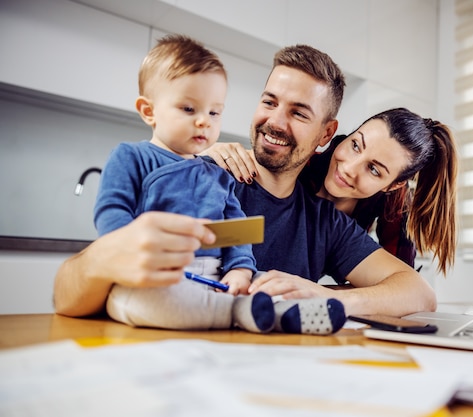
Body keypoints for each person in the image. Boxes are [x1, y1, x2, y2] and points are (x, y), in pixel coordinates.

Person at [53, 43, 436, 322]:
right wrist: (109, 256)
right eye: (270, 103)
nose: (275, 122)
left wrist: (325, 296)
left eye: (299, 113)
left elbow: (418, 293)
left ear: (326, 134)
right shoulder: (203, 178)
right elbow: (66, 296)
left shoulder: (324, 223)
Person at [93, 34, 345, 335]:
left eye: (214, 112)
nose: (204, 122)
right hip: (154, 277)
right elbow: (111, 212)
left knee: (262, 282)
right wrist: (129, 251)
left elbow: (237, 231)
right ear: (149, 111)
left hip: (216, 277)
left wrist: (240, 269)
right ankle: (246, 314)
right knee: (137, 301)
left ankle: (285, 311)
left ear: (326, 133)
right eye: (189, 109)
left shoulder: (220, 176)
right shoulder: (131, 157)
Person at [210, 108, 458, 275]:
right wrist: (202, 157)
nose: (349, 168)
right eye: (355, 145)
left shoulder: (394, 204)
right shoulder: (298, 165)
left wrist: (327, 294)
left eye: (373, 169)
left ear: (393, 185)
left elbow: (399, 278)